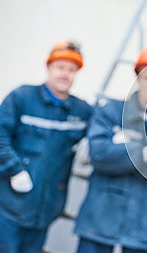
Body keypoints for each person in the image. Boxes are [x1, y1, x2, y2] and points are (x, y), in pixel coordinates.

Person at [74, 47, 147, 253]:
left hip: (146, 224)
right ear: (137, 77)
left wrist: (121, 152)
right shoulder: (111, 111)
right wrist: (142, 154)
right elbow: (99, 154)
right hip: (101, 216)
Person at [0, 41, 93, 253]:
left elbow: (103, 123)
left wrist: (126, 107)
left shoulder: (80, 111)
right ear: (48, 68)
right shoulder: (22, 98)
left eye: (71, 70)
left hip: (45, 212)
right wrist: (14, 169)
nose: (65, 74)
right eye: (60, 67)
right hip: (8, 206)